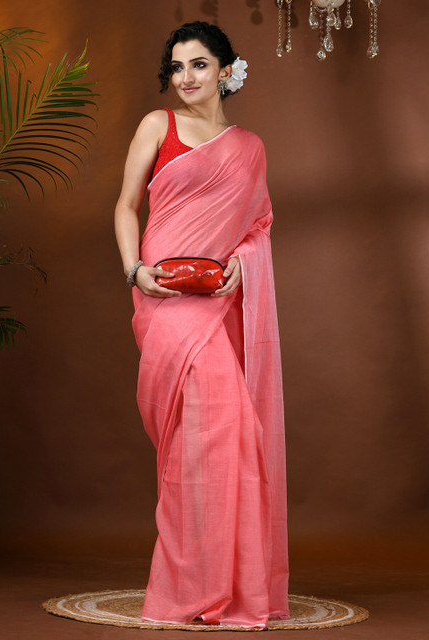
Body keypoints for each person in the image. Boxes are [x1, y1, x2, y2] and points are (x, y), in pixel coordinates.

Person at [114, 21, 290, 629]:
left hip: (216, 299)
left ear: (226, 71)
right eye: (176, 67)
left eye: (198, 65)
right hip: (162, 298)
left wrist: (244, 261)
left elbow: (258, 223)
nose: (185, 77)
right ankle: (194, 586)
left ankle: (222, 586)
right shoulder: (156, 125)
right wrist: (135, 271)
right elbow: (126, 205)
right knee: (196, 439)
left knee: (223, 435)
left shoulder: (249, 147)